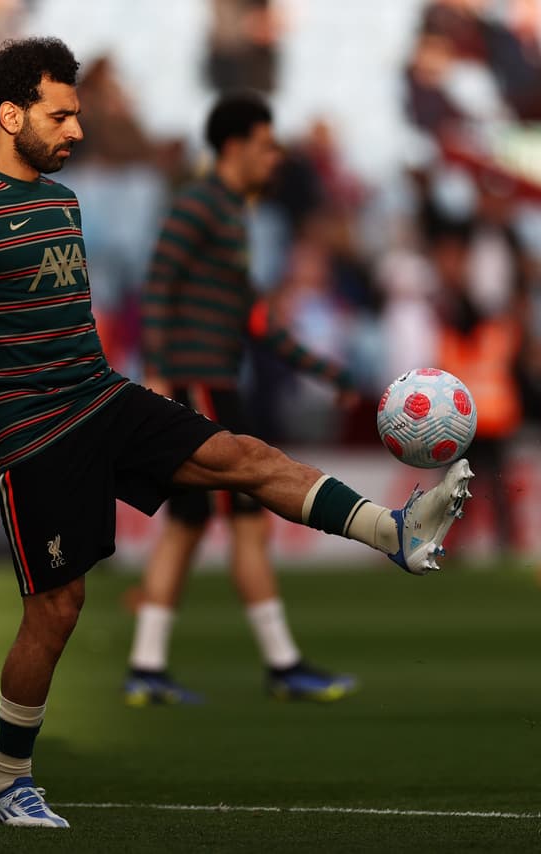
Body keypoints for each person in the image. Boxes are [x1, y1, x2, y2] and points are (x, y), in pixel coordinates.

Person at [0, 37, 473, 830]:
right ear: (10, 116)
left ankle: (396, 533)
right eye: (61, 115)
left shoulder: (62, 203)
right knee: (57, 610)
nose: (76, 130)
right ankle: (10, 787)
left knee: (242, 455)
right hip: (30, 437)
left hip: (100, 396)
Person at [124, 94, 360, 707]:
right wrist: (157, 372)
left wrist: (320, 368)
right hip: (197, 381)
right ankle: (281, 664)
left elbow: (252, 315)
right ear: (233, 147)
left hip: (211, 380)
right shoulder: (201, 203)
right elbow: (158, 283)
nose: (274, 156)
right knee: (248, 520)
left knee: (190, 523)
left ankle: (147, 667)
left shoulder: (231, 212)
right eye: (266, 144)